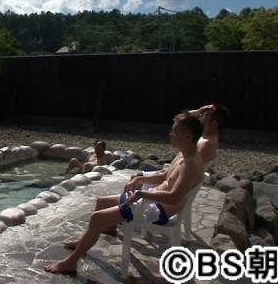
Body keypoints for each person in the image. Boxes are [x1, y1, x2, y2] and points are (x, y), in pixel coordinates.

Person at [44, 111, 205, 275]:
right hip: (152, 201)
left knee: (97, 218)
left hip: (156, 210)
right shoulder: (184, 154)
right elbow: (165, 176)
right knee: (101, 202)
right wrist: (140, 180)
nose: (170, 134)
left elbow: (173, 197)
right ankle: (101, 232)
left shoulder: (190, 165)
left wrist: (142, 194)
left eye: (175, 131)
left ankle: (71, 262)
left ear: (187, 135)